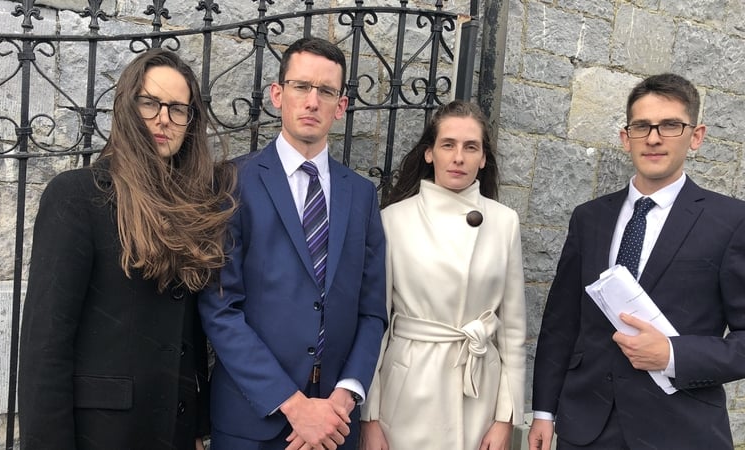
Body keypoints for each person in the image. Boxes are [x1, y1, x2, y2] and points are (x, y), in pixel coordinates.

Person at [18, 48, 235, 449]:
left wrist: (197, 424)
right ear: (127, 106)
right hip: (102, 433)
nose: (163, 119)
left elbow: (188, 332)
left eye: (177, 108)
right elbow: (45, 345)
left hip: (175, 429)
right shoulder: (77, 196)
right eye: (150, 103)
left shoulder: (192, 204)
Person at [529, 73, 745, 450]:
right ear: (625, 138)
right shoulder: (589, 218)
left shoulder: (731, 221)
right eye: (642, 126)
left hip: (681, 431)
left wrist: (673, 354)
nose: (654, 137)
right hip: (586, 431)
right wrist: (544, 412)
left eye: (670, 125)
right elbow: (561, 323)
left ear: (696, 136)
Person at [198, 37, 387, 450]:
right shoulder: (232, 182)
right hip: (254, 419)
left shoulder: (361, 195)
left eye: (326, 91)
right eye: (301, 86)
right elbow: (221, 308)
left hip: (336, 425)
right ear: (278, 94)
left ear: (341, 106)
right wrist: (294, 406)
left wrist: (343, 399)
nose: (312, 101)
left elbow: (372, 312)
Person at [360, 100, 527, 450]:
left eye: (471, 147)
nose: (458, 157)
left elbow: (512, 331)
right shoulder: (394, 219)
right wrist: (369, 418)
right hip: (408, 387)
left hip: (477, 388)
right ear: (429, 154)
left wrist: (505, 418)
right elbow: (376, 324)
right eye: (448, 145)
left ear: (483, 158)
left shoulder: (504, 222)